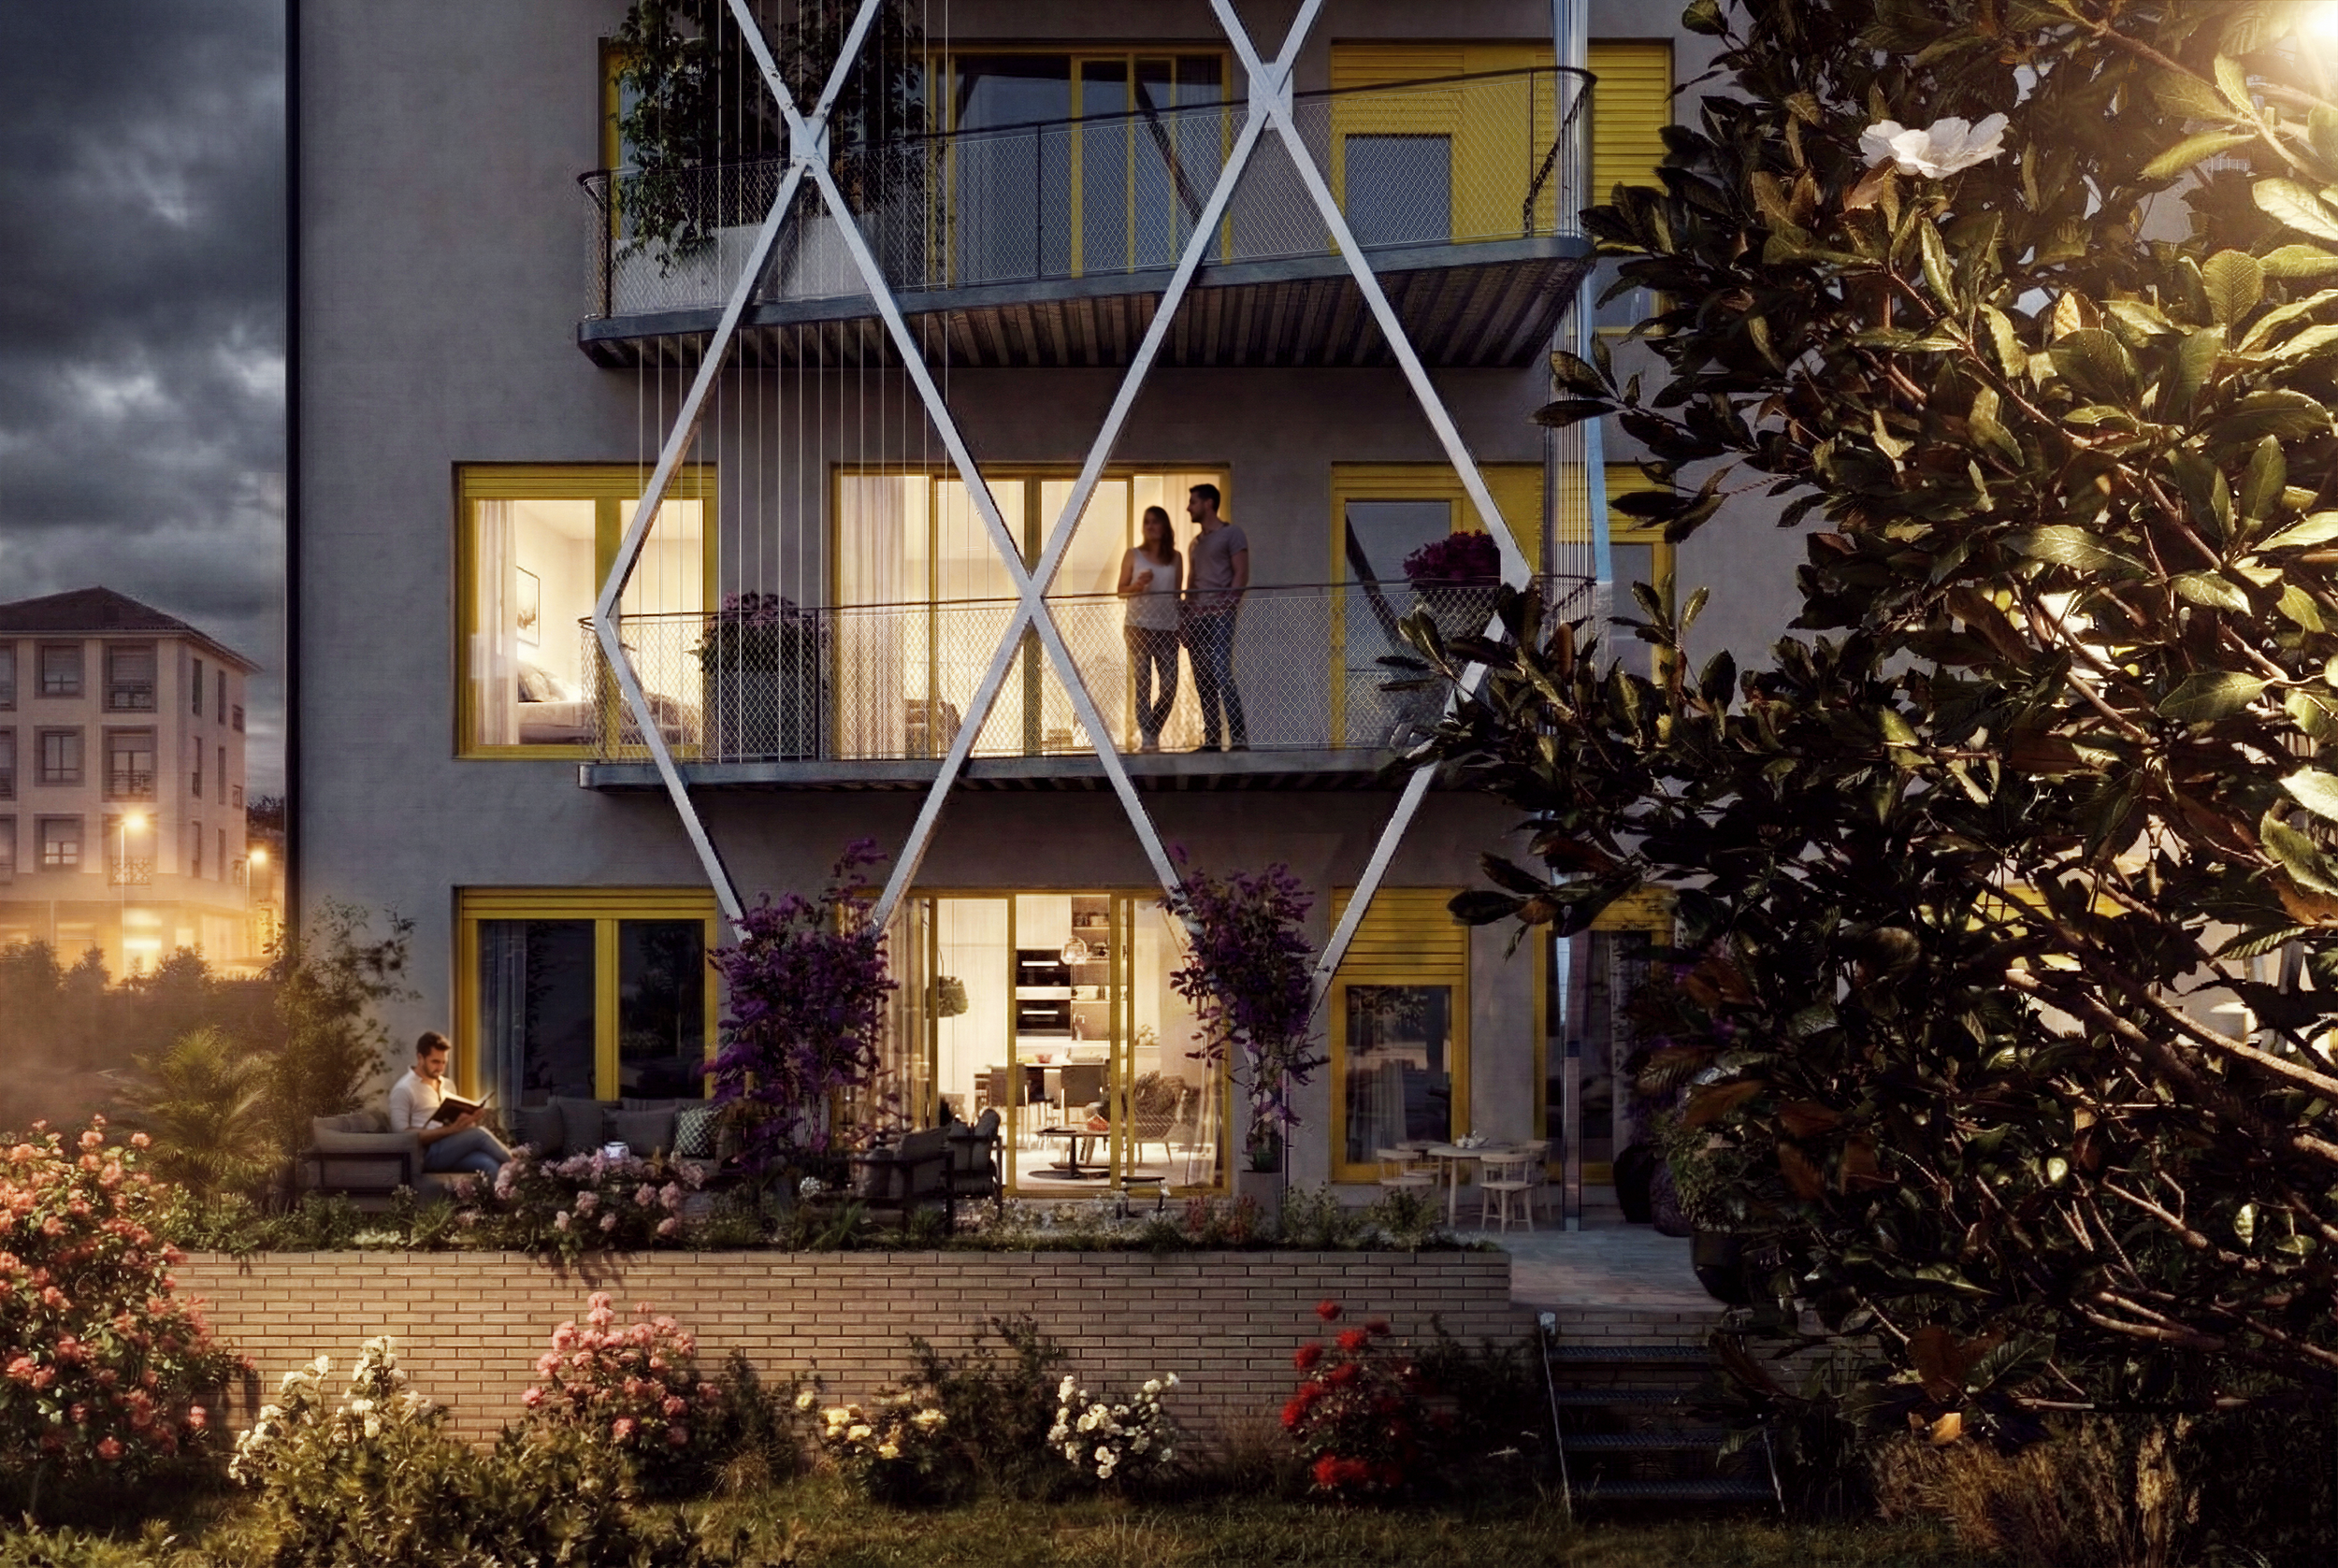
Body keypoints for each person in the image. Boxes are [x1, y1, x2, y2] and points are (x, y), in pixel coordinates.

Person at [1179, 482, 1248, 752]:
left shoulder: (1232, 534)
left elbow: (1241, 572)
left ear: (1208, 504)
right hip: (1197, 619)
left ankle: (1239, 739)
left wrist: (1228, 605)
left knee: (1221, 671)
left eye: (1193, 502)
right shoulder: (1195, 544)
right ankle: (1212, 739)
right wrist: (1185, 621)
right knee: (1203, 678)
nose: (1188, 508)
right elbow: (1191, 583)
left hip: (1220, 617)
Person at [388, 1030, 512, 1179]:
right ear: (420, 1058)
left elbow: (451, 1121)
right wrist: (451, 1130)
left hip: (450, 1148)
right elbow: (402, 1135)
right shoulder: (404, 1089)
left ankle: (505, 1192)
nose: (440, 1068)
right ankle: (521, 1165)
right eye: (435, 1062)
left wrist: (469, 1119)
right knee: (479, 1134)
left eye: (444, 1062)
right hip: (426, 1154)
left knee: (490, 1165)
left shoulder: (447, 1084)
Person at [1117, 505, 1183, 752]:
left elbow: (1177, 594)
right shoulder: (1133, 555)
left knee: (1169, 686)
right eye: (1146, 522)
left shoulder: (1176, 558)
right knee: (1143, 684)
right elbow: (1120, 590)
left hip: (1167, 629)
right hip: (1138, 628)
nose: (1150, 526)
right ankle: (1148, 740)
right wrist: (1137, 585)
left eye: (1155, 521)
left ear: (1165, 526)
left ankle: (1152, 731)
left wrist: (1181, 624)